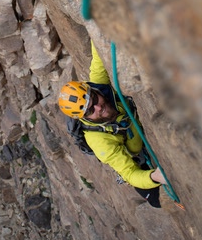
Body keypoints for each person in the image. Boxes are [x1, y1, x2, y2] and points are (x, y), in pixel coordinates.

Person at [58, 42, 167, 207]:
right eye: (89, 111)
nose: (98, 107)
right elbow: (130, 173)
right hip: (138, 159)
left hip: (139, 134)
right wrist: (155, 177)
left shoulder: (100, 87)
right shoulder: (99, 141)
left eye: (94, 99)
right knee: (156, 200)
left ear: (93, 91)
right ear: (84, 118)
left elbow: (97, 55)